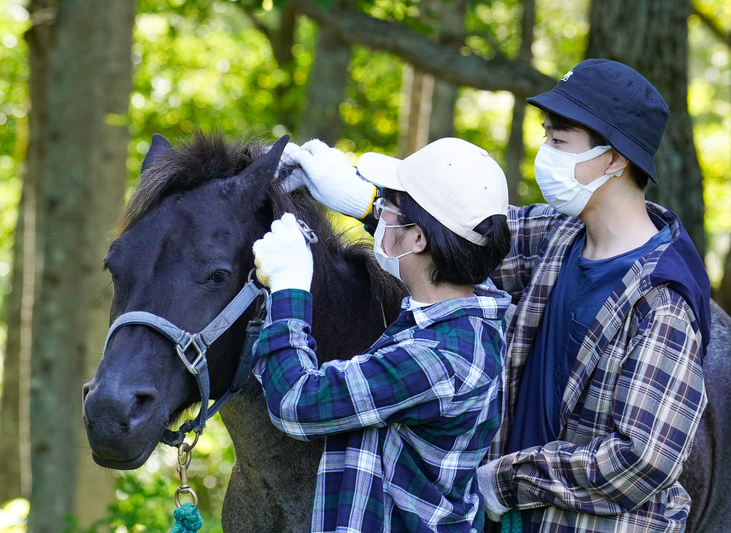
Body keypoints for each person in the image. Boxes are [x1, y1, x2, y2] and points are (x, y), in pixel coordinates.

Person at [288, 59, 712, 533]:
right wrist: (364, 199)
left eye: (558, 141)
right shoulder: (559, 234)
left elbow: (641, 460)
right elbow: (459, 237)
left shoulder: (662, 300)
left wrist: (504, 481)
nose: (544, 153)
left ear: (614, 159)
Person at [251, 137, 513, 532]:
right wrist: (364, 202)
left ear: (419, 239)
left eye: (389, 205)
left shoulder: (437, 359)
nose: (382, 212)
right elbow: (428, 251)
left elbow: (295, 402)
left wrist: (289, 288)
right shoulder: (474, 314)